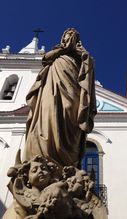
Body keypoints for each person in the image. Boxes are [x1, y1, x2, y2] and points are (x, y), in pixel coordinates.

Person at [22, 28, 96, 168]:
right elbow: (45, 59)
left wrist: (80, 53)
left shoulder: (81, 55)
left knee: (70, 114)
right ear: (63, 38)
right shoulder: (57, 52)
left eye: (73, 37)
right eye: (68, 36)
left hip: (72, 87)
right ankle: (45, 155)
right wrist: (63, 50)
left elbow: (89, 66)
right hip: (52, 87)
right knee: (49, 115)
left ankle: (68, 159)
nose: (70, 38)